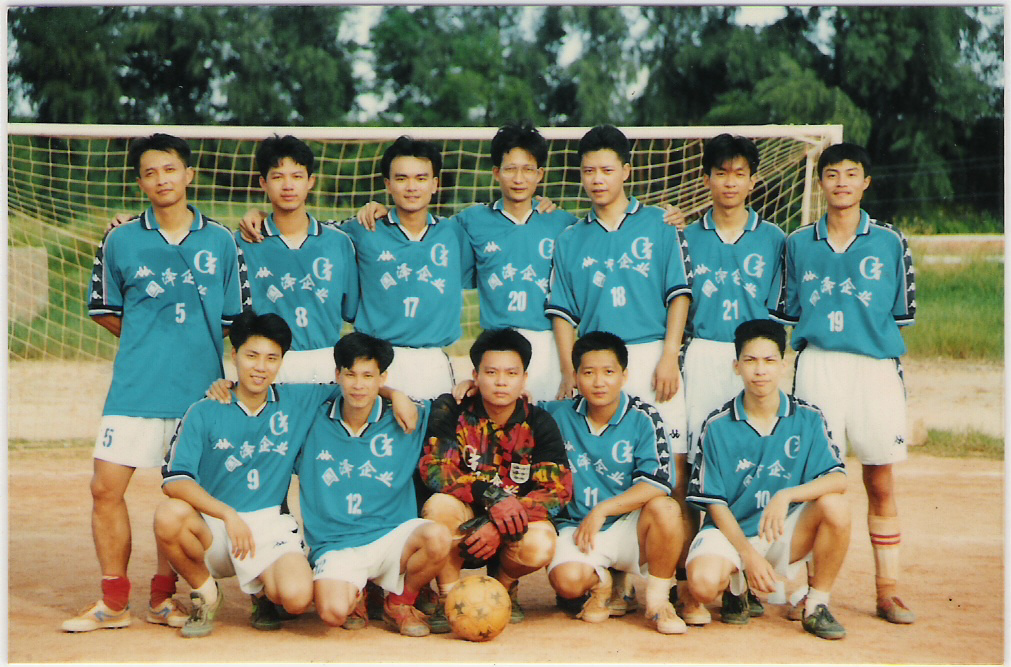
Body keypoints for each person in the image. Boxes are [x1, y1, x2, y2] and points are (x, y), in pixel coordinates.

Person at [64, 134, 243, 633]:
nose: (161, 179)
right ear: (140, 182)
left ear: (189, 174)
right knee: (105, 488)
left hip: (199, 393)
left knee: (180, 498)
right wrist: (150, 338)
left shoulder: (221, 240)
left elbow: (234, 319)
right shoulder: (120, 239)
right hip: (135, 388)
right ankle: (112, 603)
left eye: (170, 169)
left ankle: (164, 598)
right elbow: (104, 309)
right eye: (150, 172)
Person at [545, 124, 692, 610]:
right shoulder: (571, 237)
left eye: (607, 169)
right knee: (598, 456)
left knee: (670, 470)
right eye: (588, 171)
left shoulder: (659, 224)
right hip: (596, 361)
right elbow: (562, 311)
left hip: (649, 355)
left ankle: (671, 580)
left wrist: (669, 354)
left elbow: (678, 294)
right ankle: (609, 575)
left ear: (626, 171)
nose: (597, 179)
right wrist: (568, 369)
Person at [775, 142, 917, 625]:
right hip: (819, 365)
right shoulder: (798, 242)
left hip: (874, 368)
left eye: (851, 174)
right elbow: (789, 309)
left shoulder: (890, 241)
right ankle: (812, 592)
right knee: (816, 482)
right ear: (820, 183)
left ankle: (888, 591)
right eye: (832, 174)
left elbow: (901, 313)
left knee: (880, 477)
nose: (841, 183)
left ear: (866, 182)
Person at [242, 136, 474, 399]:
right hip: (376, 358)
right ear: (387, 183)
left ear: (435, 184)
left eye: (421, 178)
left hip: (433, 360)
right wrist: (260, 215)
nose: (411, 187)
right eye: (401, 178)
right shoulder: (361, 230)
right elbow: (303, 228)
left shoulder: (455, 232)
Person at [154, 311, 327, 637]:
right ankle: (206, 593)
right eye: (252, 356)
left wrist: (394, 395)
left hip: (269, 525)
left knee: (297, 598)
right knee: (168, 515)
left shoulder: (297, 399)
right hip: (215, 526)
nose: (261, 367)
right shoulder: (204, 409)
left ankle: (262, 594)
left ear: (281, 362)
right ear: (234, 355)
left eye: (271, 358)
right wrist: (227, 514)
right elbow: (175, 481)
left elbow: (355, 387)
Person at [677, 133, 786, 623]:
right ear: (706, 178)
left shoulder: (775, 239)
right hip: (704, 352)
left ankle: (744, 577)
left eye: (739, 173)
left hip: (754, 359)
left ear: (753, 181)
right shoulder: (684, 234)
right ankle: (692, 576)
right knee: (696, 461)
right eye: (720, 172)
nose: (729, 182)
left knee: (754, 459)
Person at [685, 319, 850, 640]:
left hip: (781, 531)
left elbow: (838, 479)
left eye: (769, 360)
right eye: (750, 360)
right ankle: (737, 587)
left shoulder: (808, 417)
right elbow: (714, 504)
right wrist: (748, 555)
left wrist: (787, 495)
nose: (760, 370)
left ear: (783, 365)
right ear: (736, 367)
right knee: (703, 585)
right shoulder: (717, 425)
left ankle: (816, 604)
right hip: (732, 534)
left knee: (836, 506)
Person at [296, 332, 451, 637]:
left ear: (383, 377)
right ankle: (359, 592)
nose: (358, 385)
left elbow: (455, 408)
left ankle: (399, 602)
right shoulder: (311, 417)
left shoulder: (405, 417)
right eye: (350, 374)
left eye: (368, 376)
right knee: (332, 612)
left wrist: (399, 396)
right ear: (337, 374)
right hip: (336, 544)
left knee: (438, 537)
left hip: (391, 537)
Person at [419, 328, 573, 632]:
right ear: (475, 375)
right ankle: (449, 596)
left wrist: (500, 521)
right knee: (439, 507)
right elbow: (435, 469)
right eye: (491, 372)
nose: (501, 381)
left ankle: (503, 589)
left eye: (511, 373)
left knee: (541, 542)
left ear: (524, 379)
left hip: (510, 526)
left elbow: (557, 490)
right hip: (464, 519)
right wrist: (489, 496)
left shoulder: (539, 421)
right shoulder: (452, 409)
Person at [543, 331, 687, 635]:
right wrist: (471, 388)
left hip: (628, 525)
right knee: (567, 582)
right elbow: (512, 406)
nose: (599, 382)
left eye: (608, 372)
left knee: (666, 509)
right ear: (575, 376)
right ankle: (603, 584)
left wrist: (604, 509)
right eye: (588, 373)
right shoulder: (556, 414)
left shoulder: (644, 417)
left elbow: (658, 482)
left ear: (624, 375)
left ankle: (659, 601)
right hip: (578, 526)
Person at [238, 135, 359, 383]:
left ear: (310, 181)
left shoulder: (338, 242)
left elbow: (351, 311)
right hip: (268, 365)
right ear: (263, 183)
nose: (288, 186)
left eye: (297, 176)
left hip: (326, 361)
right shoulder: (243, 242)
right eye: (277, 177)